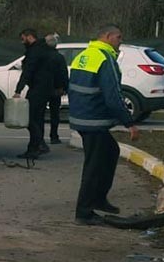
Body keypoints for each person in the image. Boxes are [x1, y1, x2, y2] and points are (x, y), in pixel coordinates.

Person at [68, 24, 140, 224]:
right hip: (94, 120)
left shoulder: (85, 55)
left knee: (110, 151)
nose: (120, 41)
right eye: (119, 37)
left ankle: (99, 199)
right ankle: (84, 213)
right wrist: (129, 122)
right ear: (108, 37)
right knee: (94, 166)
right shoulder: (105, 58)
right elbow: (113, 96)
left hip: (82, 118)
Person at [14, 28, 53, 158]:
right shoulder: (44, 49)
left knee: (30, 118)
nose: (22, 42)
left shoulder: (34, 51)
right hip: (45, 87)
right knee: (38, 118)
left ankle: (38, 145)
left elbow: (28, 71)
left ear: (29, 37)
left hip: (38, 88)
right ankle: (35, 147)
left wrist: (18, 90)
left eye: (23, 39)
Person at [45, 33, 69, 144]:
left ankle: (39, 138)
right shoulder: (59, 57)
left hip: (43, 88)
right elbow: (63, 73)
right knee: (55, 114)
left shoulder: (41, 57)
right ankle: (54, 136)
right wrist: (64, 87)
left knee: (39, 114)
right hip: (56, 89)